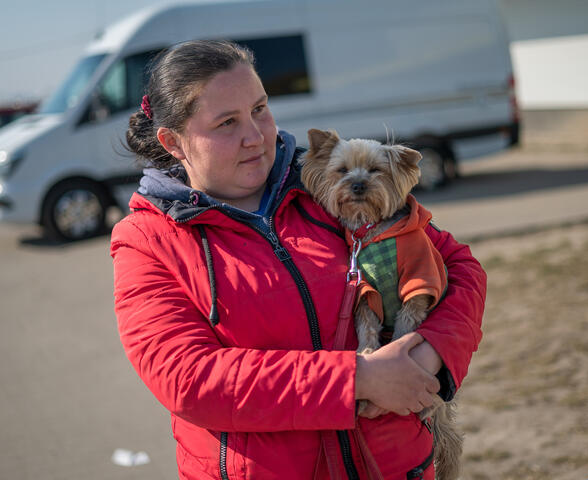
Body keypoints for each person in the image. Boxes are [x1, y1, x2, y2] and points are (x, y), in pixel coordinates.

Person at [112, 40, 486, 480]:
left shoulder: (324, 188)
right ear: (173, 142)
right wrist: (357, 380)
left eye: (259, 109)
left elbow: (461, 268)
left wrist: (430, 356)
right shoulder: (147, 240)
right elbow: (189, 380)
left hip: (397, 468)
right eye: (227, 123)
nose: (255, 136)